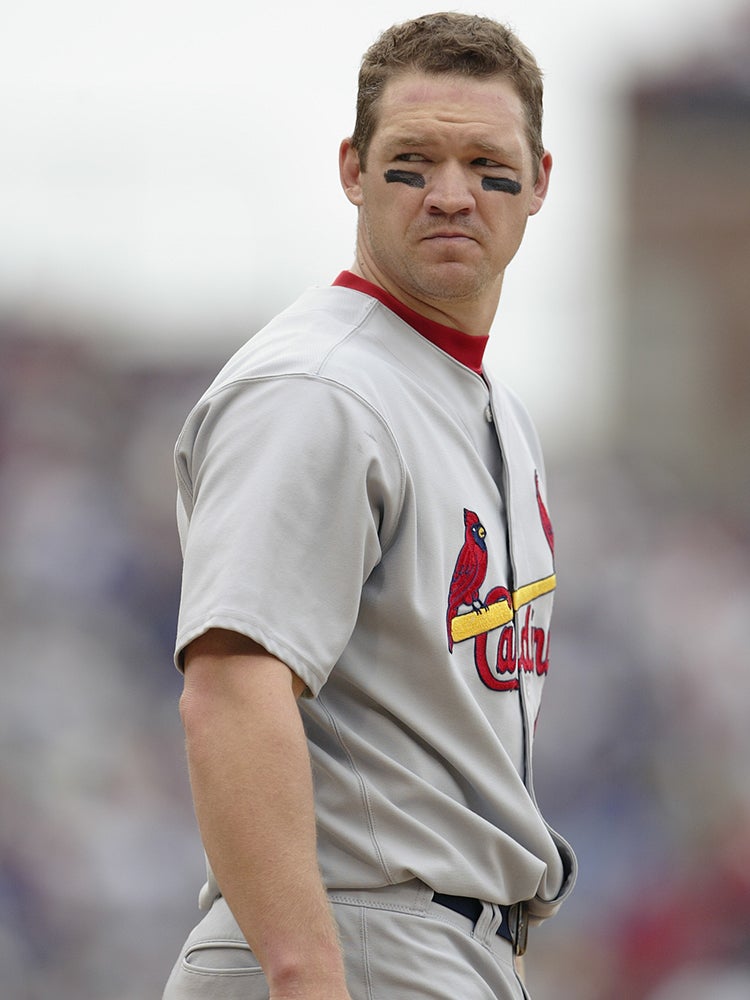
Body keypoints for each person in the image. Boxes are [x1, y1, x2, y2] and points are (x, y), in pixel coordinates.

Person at [163, 11, 577, 1000]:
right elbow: (231, 689)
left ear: (542, 181)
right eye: (411, 161)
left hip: (446, 945)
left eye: (488, 164)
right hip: (353, 936)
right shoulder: (320, 387)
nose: (450, 194)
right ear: (352, 169)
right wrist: (308, 975)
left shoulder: (489, 406)